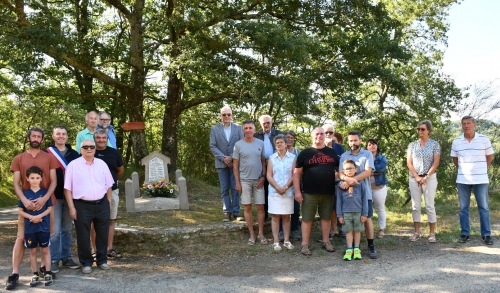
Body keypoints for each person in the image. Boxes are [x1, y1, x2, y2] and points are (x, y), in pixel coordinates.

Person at [5, 127, 58, 291]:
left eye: (39, 136)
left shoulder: (49, 158)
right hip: (26, 206)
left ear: (42, 139)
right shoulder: (19, 158)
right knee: (21, 238)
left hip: (47, 204)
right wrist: (24, 200)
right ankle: (14, 274)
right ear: (28, 138)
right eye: (33, 136)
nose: (36, 138)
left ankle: (44, 270)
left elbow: (54, 182)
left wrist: (44, 198)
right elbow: (16, 183)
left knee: (45, 240)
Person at [64, 139, 115, 274]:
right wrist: (71, 207)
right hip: (82, 205)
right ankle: (86, 262)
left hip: (102, 203)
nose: (89, 149)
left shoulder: (102, 164)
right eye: (85, 147)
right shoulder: (73, 165)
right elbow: (67, 189)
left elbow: (109, 185)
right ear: (81, 150)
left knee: (103, 234)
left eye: (91, 147)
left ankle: (102, 260)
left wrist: (108, 202)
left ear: (95, 149)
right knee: (83, 235)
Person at [293, 127, 339, 256]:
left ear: (325, 136)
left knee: (326, 218)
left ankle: (326, 242)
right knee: (307, 219)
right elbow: (296, 173)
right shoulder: (305, 153)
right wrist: (297, 191)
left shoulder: (332, 153)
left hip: (328, 192)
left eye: (322, 134)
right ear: (312, 136)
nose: (319, 136)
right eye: (317, 134)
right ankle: (304, 245)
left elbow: (341, 170)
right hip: (309, 192)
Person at [451, 116, 494, 245]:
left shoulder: (484, 139)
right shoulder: (457, 141)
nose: (466, 126)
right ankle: (465, 233)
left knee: (484, 208)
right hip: (463, 180)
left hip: (480, 179)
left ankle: (486, 235)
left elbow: (489, 157)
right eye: (463, 124)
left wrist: (480, 168)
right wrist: (465, 169)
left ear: (474, 125)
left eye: (468, 123)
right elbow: (455, 159)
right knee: (463, 208)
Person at [339, 130, 378, 259]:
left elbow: (368, 172)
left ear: (360, 140)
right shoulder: (344, 156)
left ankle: (371, 245)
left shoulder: (367, 154)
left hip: (363, 193)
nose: (353, 143)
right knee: (351, 221)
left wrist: (351, 180)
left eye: (355, 140)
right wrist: (347, 179)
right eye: (351, 140)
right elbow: (340, 173)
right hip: (348, 197)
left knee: (366, 219)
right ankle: (356, 247)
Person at [47, 126, 81, 273]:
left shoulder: (75, 154)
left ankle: (66, 257)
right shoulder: (46, 154)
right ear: (53, 136)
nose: (61, 136)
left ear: (67, 137)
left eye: (63, 134)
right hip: (54, 197)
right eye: (58, 134)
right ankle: (54, 259)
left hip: (70, 197)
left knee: (67, 229)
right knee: (54, 230)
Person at [18, 166, 54, 287]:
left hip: (43, 227)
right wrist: (30, 217)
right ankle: (35, 274)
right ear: (27, 179)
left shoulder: (45, 193)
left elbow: (49, 208)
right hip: (30, 228)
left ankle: (48, 273)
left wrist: (40, 216)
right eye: (32, 178)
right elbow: (20, 211)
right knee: (32, 251)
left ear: (41, 178)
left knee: (45, 250)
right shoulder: (25, 194)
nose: (34, 180)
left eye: (37, 178)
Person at [91, 129, 124, 259]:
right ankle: (94, 249)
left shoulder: (114, 153)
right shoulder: (90, 152)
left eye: (103, 138)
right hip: (94, 192)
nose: (101, 140)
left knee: (110, 219)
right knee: (93, 221)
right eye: (98, 138)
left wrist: (112, 181)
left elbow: (120, 171)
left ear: (107, 139)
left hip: (112, 190)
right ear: (94, 139)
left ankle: (109, 248)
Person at [233, 120, 267, 245]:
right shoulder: (238, 145)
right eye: (246, 128)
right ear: (243, 130)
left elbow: (263, 161)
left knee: (260, 207)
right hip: (244, 180)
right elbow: (235, 166)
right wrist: (237, 182)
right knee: (247, 206)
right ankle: (252, 234)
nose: (248, 130)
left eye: (250, 128)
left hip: (258, 180)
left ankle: (261, 234)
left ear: (254, 130)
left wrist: (263, 176)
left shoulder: (260, 143)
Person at [407, 120, 440, 243]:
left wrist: (426, 176)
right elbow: (409, 163)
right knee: (416, 206)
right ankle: (416, 232)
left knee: (429, 205)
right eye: (418, 129)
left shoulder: (434, 144)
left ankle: (432, 233)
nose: (420, 131)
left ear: (428, 130)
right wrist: (416, 176)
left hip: (429, 178)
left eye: (422, 129)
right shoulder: (412, 145)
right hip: (414, 178)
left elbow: (436, 162)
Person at [209, 106, 244, 221]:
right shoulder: (215, 129)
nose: (226, 117)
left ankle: (236, 212)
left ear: (232, 116)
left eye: (228, 114)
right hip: (221, 163)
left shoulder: (238, 129)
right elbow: (212, 146)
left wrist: (233, 158)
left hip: (235, 163)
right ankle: (227, 212)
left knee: (235, 188)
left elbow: (241, 144)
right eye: (224, 115)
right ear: (221, 116)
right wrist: (224, 158)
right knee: (224, 189)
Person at [267, 134, 296, 251]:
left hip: (288, 192)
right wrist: (277, 188)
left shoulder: (293, 158)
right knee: (275, 217)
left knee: (286, 217)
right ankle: (275, 242)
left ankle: (286, 241)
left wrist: (285, 187)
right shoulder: (271, 158)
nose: (279, 144)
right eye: (277, 143)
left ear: (286, 144)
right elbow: (269, 175)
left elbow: (295, 175)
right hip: (274, 192)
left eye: (281, 142)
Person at [336, 160, 368, 261]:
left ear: (356, 170)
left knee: (357, 230)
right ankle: (349, 249)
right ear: (343, 172)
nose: (349, 170)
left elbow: (364, 199)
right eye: (346, 169)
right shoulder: (341, 185)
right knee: (348, 230)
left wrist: (365, 213)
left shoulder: (361, 183)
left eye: (351, 168)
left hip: (358, 212)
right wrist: (339, 215)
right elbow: (339, 201)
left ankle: (357, 249)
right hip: (346, 213)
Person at [254, 114, 282, 220]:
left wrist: (271, 161)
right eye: (264, 123)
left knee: (276, 188)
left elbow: (281, 148)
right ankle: (264, 215)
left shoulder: (278, 134)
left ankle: (278, 213)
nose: (266, 125)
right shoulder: (256, 135)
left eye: (268, 123)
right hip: (261, 165)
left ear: (271, 123)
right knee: (263, 190)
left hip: (276, 165)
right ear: (261, 124)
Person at [322, 123, 345, 240]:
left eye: (330, 132)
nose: (328, 134)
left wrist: (338, 173)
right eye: (326, 132)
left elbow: (344, 164)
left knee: (339, 206)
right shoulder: (318, 146)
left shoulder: (339, 148)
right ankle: (329, 232)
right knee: (328, 208)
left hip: (337, 181)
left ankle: (342, 231)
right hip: (323, 183)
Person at [280, 130, 301, 241]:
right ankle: (280, 231)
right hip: (281, 185)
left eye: (291, 137)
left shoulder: (298, 152)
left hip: (295, 185)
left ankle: (294, 229)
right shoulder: (277, 151)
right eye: (287, 137)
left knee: (295, 208)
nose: (289, 139)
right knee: (280, 209)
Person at [367, 139, 388, 239]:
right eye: (370, 144)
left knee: (380, 209)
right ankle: (365, 229)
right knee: (365, 209)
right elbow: (361, 169)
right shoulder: (364, 157)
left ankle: (381, 229)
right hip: (367, 188)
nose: (372, 146)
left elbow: (381, 169)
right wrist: (372, 171)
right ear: (367, 147)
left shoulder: (382, 157)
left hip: (379, 187)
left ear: (377, 146)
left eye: (374, 144)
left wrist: (369, 171)